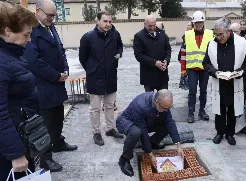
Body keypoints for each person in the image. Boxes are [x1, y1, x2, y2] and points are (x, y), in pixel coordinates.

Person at [23, 0, 77, 172]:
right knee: (46, 124)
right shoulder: (31, 30)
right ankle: (46, 158)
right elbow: (34, 62)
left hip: (57, 83)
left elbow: (60, 49)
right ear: (37, 11)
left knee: (58, 117)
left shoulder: (50, 26)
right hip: (44, 86)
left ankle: (58, 142)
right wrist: (56, 76)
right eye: (50, 15)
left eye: (54, 15)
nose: (52, 19)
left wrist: (66, 69)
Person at [0, 2, 38, 180]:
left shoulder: (11, 56)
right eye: (26, 35)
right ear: (8, 31)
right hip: (8, 150)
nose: (29, 40)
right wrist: (16, 154)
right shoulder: (2, 63)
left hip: (19, 135)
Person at [202, 18, 246, 145]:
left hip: (235, 82)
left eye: (221, 34)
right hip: (219, 82)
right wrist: (215, 72)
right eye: (216, 34)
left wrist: (240, 72)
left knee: (232, 109)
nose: (219, 38)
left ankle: (230, 134)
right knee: (219, 109)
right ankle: (219, 132)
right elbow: (206, 62)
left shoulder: (243, 42)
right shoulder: (211, 44)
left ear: (229, 31)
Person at [79, 11, 124, 146]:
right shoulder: (88, 37)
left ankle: (110, 129)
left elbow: (120, 47)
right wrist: (92, 69)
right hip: (95, 77)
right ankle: (96, 133)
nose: (108, 24)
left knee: (110, 105)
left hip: (110, 75)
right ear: (97, 21)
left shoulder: (115, 34)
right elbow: (83, 58)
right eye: (105, 21)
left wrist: (118, 54)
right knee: (95, 108)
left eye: (110, 21)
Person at [116, 89, 184, 177]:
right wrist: (150, 154)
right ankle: (124, 159)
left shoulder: (163, 103)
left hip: (148, 120)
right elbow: (143, 131)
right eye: (164, 108)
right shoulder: (140, 105)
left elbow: (170, 122)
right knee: (136, 132)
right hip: (128, 121)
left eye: (169, 108)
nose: (167, 110)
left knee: (168, 125)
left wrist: (178, 145)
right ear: (156, 102)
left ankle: (152, 143)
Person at [180, 11, 213, 123]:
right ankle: (191, 113)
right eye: (196, 22)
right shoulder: (187, 35)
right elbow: (183, 53)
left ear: (203, 22)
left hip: (205, 69)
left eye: (200, 22)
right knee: (192, 91)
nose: (198, 24)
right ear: (193, 23)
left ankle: (202, 111)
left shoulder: (210, 34)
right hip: (192, 68)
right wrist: (183, 69)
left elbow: (213, 52)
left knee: (203, 91)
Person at [133, 15, 172, 92]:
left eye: (154, 25)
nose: (152, 28)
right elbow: (139, 55)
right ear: (144, 24)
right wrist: (154, 63)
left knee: (163, 101)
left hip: (162, 75)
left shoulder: (163, 34)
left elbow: (168, 50)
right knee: (149, 101)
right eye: (149, 26)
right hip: (148, 76)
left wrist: (166, 61)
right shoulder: (139, 36)